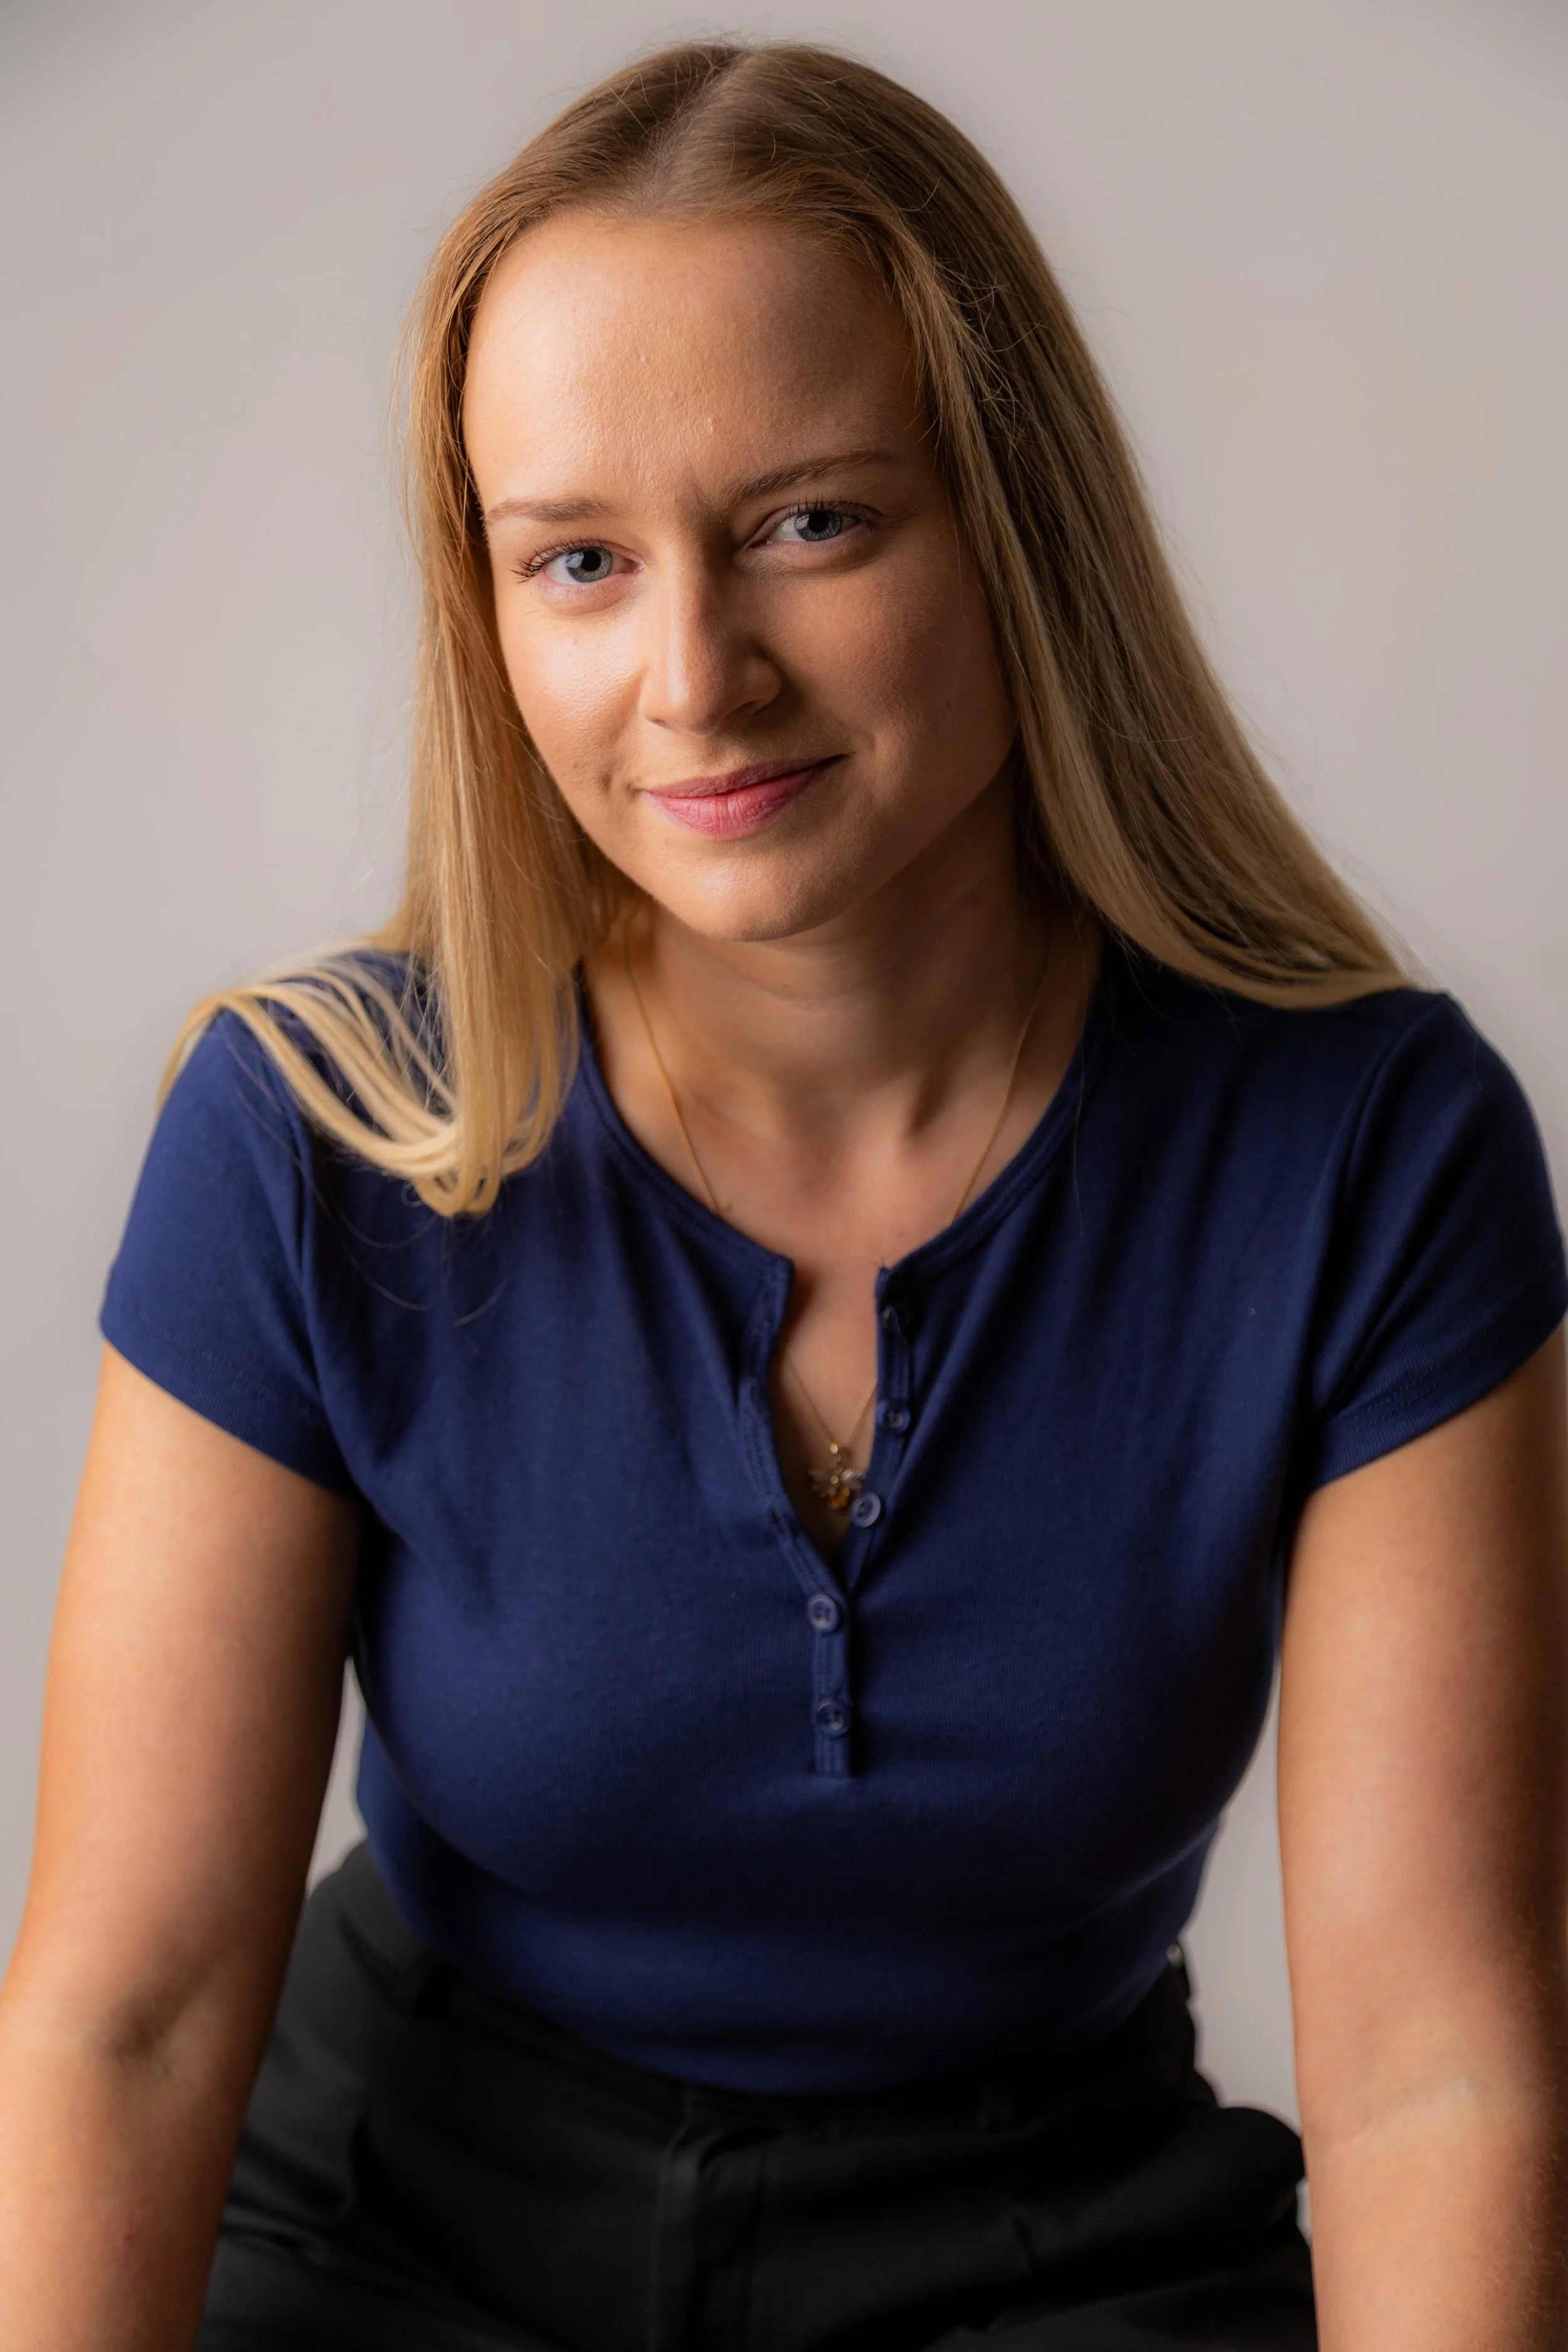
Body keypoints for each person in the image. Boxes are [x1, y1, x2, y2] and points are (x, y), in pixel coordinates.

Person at [1, 36, 1564, 2352]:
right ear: (492, 608)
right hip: (389, 2226)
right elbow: (120, 2018)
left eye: (811, 521)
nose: (693, 677)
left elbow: (1439, 2070)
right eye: (579, 563)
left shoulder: (1368, 1149)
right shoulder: (308, 1128)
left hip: (1055, 2245)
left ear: (1008, 522)